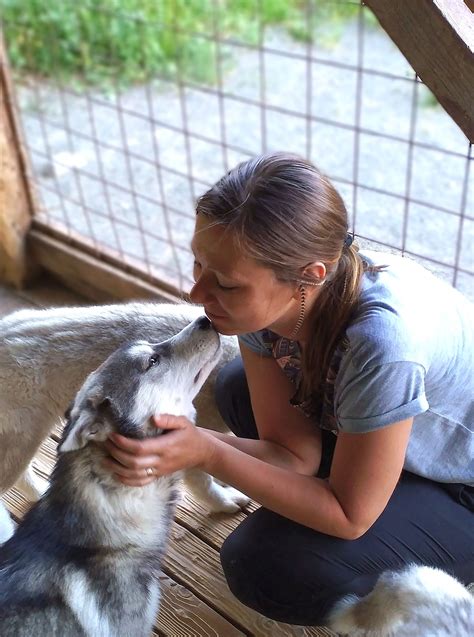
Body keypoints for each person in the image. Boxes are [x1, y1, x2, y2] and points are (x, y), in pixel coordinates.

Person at [103, 152, 474, 626]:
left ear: (309, 275)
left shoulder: (383, 344)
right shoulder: (279, 304)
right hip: (400, 438)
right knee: (236, 387)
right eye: (198, 264)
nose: (195, 293)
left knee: (265, 566)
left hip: (461, 484)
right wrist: (183, 439)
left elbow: (348, 514)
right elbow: (292, 455)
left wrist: (207, 454)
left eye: (226, 284)